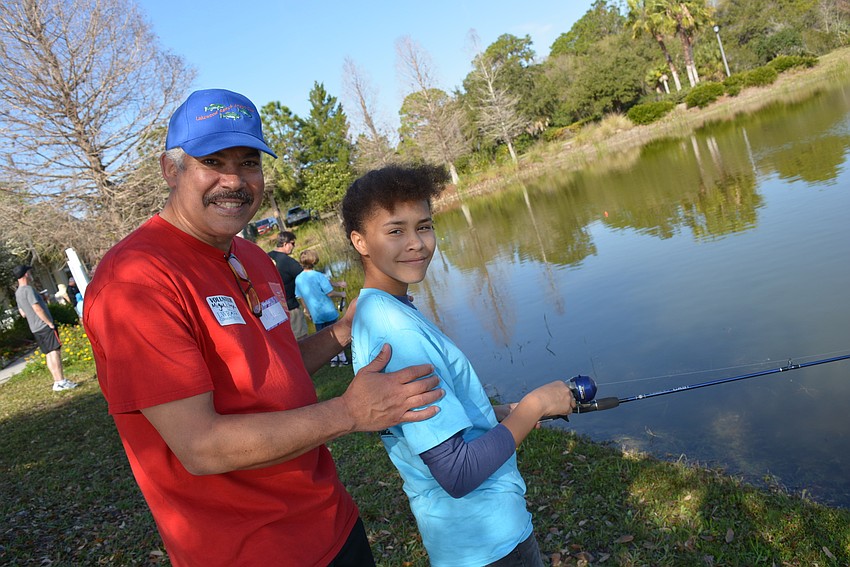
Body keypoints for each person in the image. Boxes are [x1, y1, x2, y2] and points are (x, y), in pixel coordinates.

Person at [81, 88, 442, 567]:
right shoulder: (135, 282)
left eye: (249, 162)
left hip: (330, 521)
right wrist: (349, 413)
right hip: (247, 551)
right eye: (214, 161)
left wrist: (341, 330)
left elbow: (274, 368)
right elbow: (200, 447)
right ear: (172, 169)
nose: (234, 180)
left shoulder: (250, 254)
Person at [341, 165, 577, 567]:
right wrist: (536, 404)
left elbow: (417, 426)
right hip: (489, 543)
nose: (417, 243)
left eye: (425, 226)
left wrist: (494, 414)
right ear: (360, 241)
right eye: (396, 231)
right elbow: (457, 472)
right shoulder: (395, 329)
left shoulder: (376, 310)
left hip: (460, 542)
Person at [13, 265, 77, 392]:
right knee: (55, 352)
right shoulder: (28, 290)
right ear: (25, 274)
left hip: (35, 328)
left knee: (48, 353)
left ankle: (56, 381)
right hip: (44, 325)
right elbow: (37, 308)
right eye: (29, 272)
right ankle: (61, 381)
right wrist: (49, 323)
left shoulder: (18, 292)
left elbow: (23, 313)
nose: (30, 274)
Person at [295, 249, 350, 367]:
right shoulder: (319, 275)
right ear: (314, 261)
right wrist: (341, 294)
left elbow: (300, 297)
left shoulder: (298, 279)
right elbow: (329, 293)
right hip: (328, 311)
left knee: (323, 338)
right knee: (337, 336)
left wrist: (306, 310)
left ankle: (332, 360)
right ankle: (343, 359)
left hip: (316, 314)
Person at [267, 231, 308, 339]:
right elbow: (307, 277)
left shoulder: (266, 257)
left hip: (272, 311)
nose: (293, 247)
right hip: (291, 308)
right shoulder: (288, 261)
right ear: (285, 244)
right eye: (293, 243)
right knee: (301, 339)